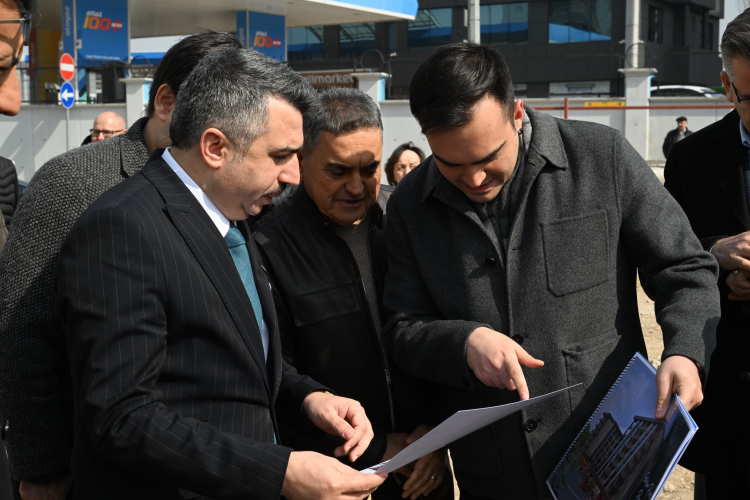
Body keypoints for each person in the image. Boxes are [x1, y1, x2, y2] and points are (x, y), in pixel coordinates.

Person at [381, 43, 720, 500]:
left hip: (607, 461)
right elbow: (403, 328)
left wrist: (685, 352)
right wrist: (463, 343)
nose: (475, 179)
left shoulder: (601, 158)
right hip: (495, 475)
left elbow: (684, 266)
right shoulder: (409, 207)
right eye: (452, 166)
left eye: (487, 158)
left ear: (517, 113)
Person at [57, 46, 385, 500]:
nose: (293, 175)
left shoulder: (234, 213)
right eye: (281, 155)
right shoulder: (122, 228)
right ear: (215, 147)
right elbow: (123, 417)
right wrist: (281, 472)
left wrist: (309, 398)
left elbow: (238, 361)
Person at [0, 31, 242, 500]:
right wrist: (42, 467)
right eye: (218, 113)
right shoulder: (74, 183)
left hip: (207, 465)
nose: (227, 136)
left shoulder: (231, 190)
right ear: (166, 102)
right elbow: (20, 330)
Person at [254, 87, 452, 500]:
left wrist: (436, 431)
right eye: (339, 171)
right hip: (333, 477)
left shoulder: (408, 219)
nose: (357, 187)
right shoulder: (265, 243)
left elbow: (443, 328)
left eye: (370, 169)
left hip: (423, 469)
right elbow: (273, 371)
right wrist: (376, 447)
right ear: (302, 160)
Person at [662, 8, 750, 497]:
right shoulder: (691, 158)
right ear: (726, 85)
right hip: (731, 407)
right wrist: (715, 256)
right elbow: (667, 253)